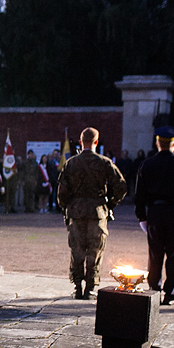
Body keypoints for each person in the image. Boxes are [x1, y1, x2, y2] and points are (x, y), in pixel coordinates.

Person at [56, 128, 127, 300]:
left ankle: (77, 286)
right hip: (97, 212)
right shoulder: (105, 163)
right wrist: (109, 204)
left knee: (77, 250)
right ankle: (91, 288)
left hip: (76, 211)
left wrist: (67, 206)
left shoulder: (71, 163)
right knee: (95, 251)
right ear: (96, 142)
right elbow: (121, 187)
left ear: (81, 142)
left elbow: (61, 192)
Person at [133, 126, 174, 305]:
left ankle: (154, 289)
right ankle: (170, 292)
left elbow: (139, 194)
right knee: (173, 254)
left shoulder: (147, 164)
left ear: (157, 143)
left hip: (155, 212)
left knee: (155, 254)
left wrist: (142, 217)